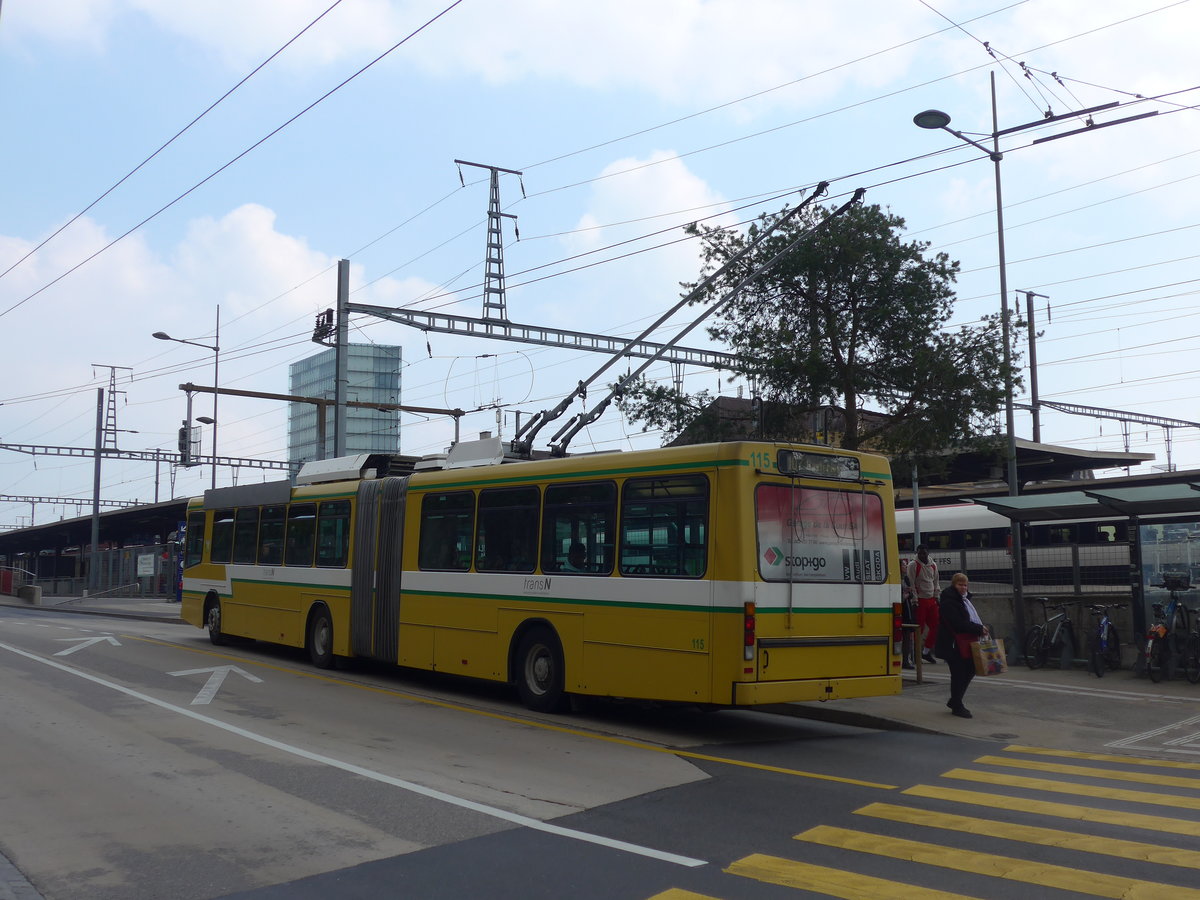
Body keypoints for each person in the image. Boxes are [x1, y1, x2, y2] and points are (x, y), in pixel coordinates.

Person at [935, 572, 987, 719]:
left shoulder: (963, 600)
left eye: (965, 585)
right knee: (958, 673)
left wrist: (979, 628)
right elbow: (957, 623)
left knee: (970, 669)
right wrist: (978, 628)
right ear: (954, 585)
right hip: (952, 644)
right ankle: (957, 705)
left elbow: (969, 619)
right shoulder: (949, 602)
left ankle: (955, 700)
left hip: (963, 642)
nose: (963, 588)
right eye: (960, 585)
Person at [907, 545, 940, 665]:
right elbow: (911, 583)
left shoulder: (933, 565)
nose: (922, 556)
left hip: (931, 600)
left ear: (928, 553)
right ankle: (915, 653)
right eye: (920, 553)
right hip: (920, 600)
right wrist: (914, 601)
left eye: (924, 553)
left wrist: (937, 596)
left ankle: (926, 652)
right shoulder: (913, 565)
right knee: (918, 629)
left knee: (936, 626)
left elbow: (936, 581)